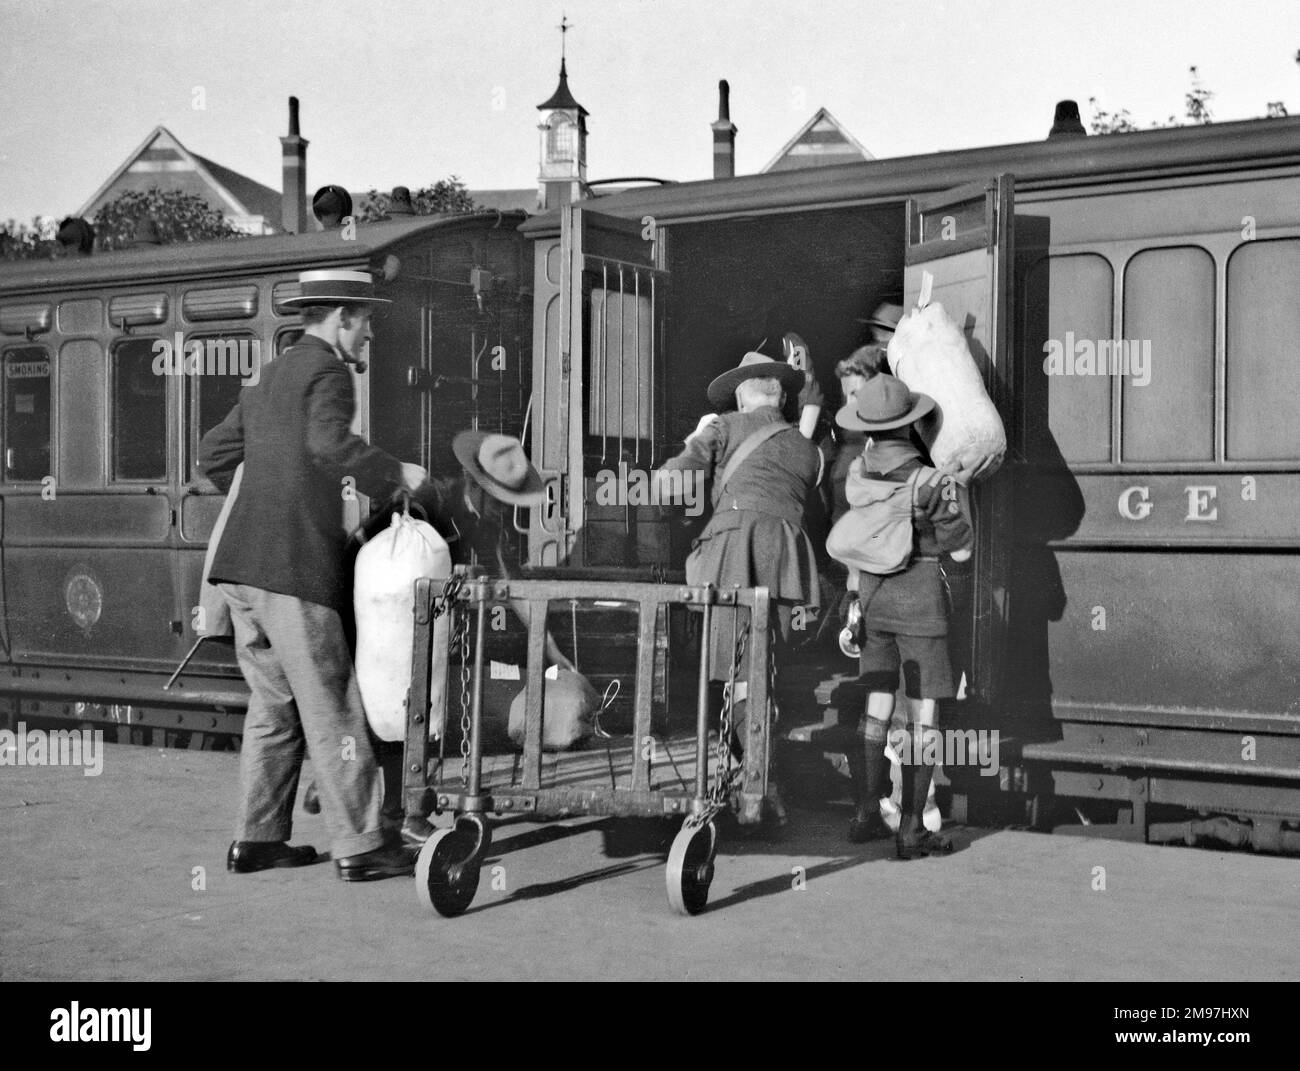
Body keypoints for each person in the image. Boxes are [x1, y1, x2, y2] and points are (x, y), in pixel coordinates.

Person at [199, 268, 428, 881]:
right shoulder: (327, 371)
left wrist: (271, 496)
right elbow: (328, 446)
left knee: (273, 711)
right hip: (292, 570)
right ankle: (361, 846)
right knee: (332, 708)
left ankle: (258, 840)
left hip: (239, 574)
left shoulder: (268, 374)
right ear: (342, 317)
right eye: (367, 320)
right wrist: (395, 475)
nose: (372, 334)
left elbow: (214, 456)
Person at [656, 351, 823, 821]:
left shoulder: (723, 428)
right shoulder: (806, 448)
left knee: (737, 676)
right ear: (780, 394)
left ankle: (758, 787)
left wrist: (696, 437)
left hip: (731, 559)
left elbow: (671, 487)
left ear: (742, 394)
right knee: (759, 674)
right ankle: (761, 781)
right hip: (784, 565)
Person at [833, 373, 972, 858]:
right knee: (923, 714)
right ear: (911, 423)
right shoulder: (935, 482)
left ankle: (866, 814)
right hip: (921, 605)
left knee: (876, 704)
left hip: (873, 600)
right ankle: (912, 827)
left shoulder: (855, 474)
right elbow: (961, 551)